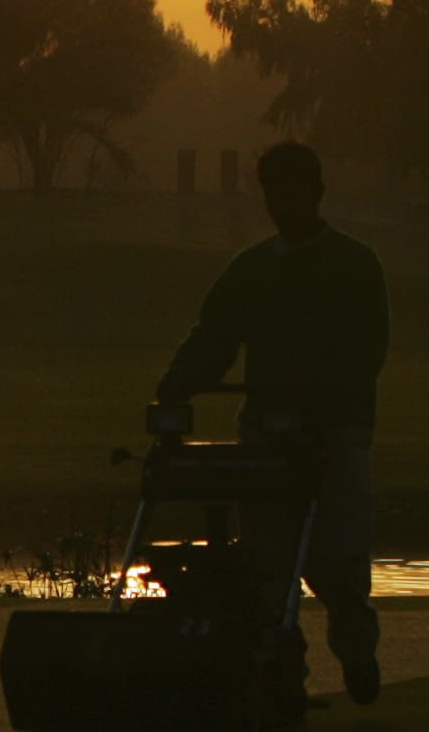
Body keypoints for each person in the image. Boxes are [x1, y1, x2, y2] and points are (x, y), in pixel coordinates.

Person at [152, 138, 390, 703]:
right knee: (269, 564)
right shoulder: (250, 268)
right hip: (266, 434)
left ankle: (356, 651)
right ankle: (283, 675)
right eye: (273, 190)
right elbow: (213, 338)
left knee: (338, 560)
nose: (282, 200)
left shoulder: (355, 265)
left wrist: (321, 399)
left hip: (337, 433)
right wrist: (174, 388)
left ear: (316, 192)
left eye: (292, 189)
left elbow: (366, 352)